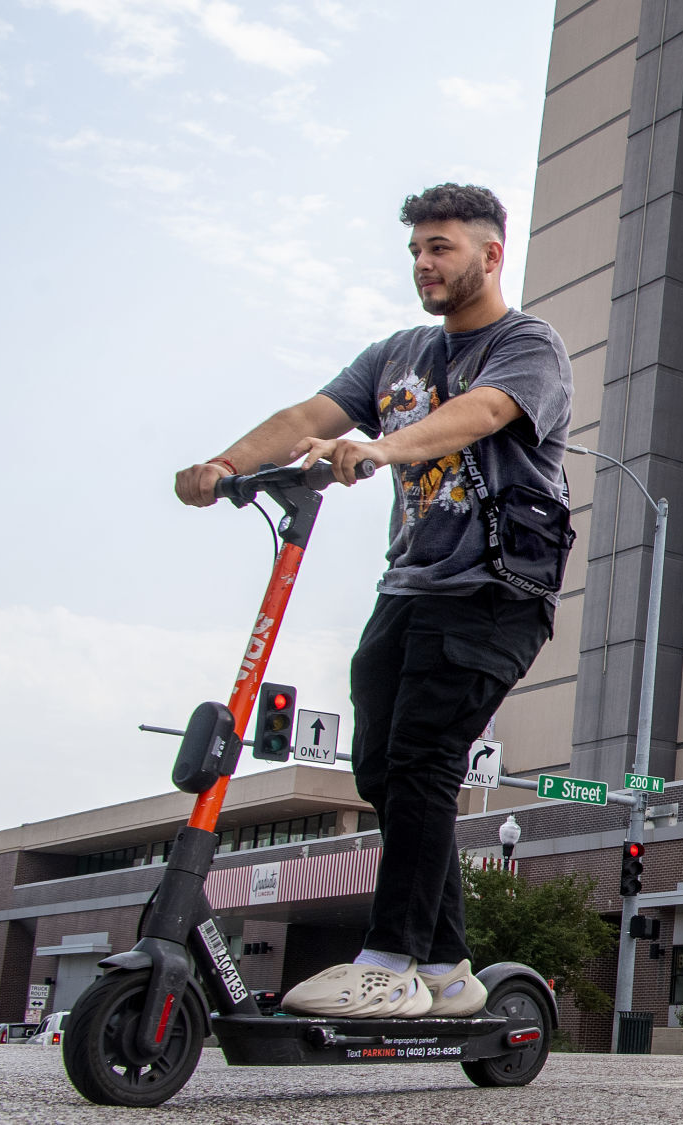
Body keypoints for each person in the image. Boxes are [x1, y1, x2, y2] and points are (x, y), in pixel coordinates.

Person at [174, 184, 573, 1018]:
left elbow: (481, 413)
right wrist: (222, 466)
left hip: (493, 590)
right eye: (417, 251)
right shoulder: (396, 355)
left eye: (441, 248)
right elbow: (306, 414)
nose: (425, 264)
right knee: (384, 771)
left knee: (425, 758)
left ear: (490, 255)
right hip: (411, 588)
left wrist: (379, 448)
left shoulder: (527, 345)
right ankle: (447, 967)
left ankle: (390, 959)